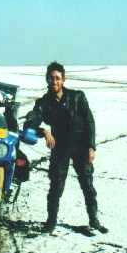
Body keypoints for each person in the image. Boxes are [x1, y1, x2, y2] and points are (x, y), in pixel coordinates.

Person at [24, 61, 107, 235]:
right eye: (51, 78)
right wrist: (44, 131)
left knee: (88, 185)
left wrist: (91, 147)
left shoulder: (77, 97)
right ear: (47, 80)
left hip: (81, 147)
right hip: (60, 148)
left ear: (63, 79)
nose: (54, 81)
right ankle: (51, 222)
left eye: (57, 78)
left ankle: (94, 220)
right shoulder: (43, 102)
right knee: (56, 187)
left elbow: (89, 122)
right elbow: (31, 121)